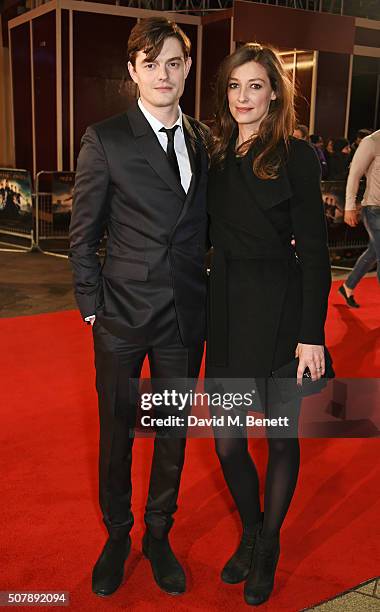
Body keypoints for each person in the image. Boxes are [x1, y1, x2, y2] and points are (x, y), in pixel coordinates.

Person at [69, 16, 209, 598]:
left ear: (187, 68)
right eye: (150, 64)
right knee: (118, 431)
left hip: (183, 318)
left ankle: (158, 533)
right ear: (132, 72)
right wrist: (92, 306)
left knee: (172, 432)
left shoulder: (203, 138)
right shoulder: (105, 138)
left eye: (173, 62)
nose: (163, 74)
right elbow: (84, 232)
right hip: (122, 316)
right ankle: (118, 533)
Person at [206, 43, 331, 606]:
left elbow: (317, 251)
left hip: (282, 311)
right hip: (228, 311)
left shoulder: (297, 155)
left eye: (255, 85)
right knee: (229, 446)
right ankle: (252, 530)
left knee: (281, 440)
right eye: (234, 86)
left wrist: (313, 334)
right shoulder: (215, 154)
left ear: (275, 92)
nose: (242, 97)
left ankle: (270, 542)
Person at [338, 129, 380, 307]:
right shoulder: (372, 141)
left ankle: (347, 286)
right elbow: (354, 175)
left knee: (373, 252)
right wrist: (349, 207)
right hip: (374, 210)